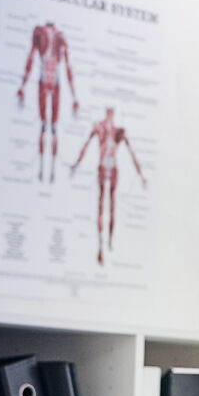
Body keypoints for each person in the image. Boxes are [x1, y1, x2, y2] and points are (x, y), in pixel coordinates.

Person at [70, 107, 146, 265]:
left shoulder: (119, 132)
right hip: (102, 168)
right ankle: (100, 246)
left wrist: (141, 175)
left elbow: (132, 153)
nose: (110, 114)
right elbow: (86, 145)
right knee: (100, 208)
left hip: (113, 171)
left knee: (111, 208)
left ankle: (109, 242)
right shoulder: (99, 128)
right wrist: (76, 164)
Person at [17, 21, 78, 183]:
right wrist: (22, 86)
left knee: (53, 128)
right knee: (44, 127)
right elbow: (31, 58)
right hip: (44, 81)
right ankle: (41, 171)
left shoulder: (60, 38)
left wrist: (74, 97)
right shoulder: (40, 33)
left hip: (54, 82)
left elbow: (68, 67)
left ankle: (51, 173)